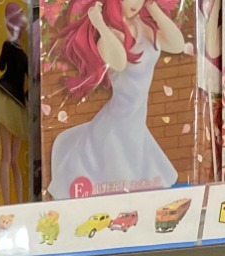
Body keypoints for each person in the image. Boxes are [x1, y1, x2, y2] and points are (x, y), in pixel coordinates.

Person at [48, 0, 190, 196]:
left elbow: (177, 44)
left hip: (135, 123)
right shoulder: (109, 37)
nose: (135, 3)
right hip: (115, 128)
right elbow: (120, 62)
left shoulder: (144, 27)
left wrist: (152, 6)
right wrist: (100, 25)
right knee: (121, 190)